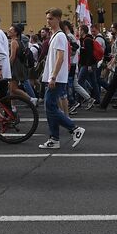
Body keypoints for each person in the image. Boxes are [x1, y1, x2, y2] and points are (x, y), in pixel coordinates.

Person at [35, 9, 85, 150]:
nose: (48, 21)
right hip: (55, 77)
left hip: (56, 78)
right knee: (50, 106)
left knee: (50, 106)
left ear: (57, 19)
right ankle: (54, 139)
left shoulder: (59, 36)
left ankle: (74, 129)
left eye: (50, 18)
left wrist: (53, 77)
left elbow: (60, 58)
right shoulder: (56, 35)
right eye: (47, 18)